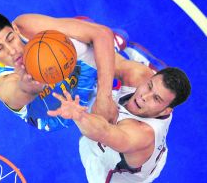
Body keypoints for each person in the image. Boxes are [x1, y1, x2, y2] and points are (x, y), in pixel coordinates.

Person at [48, 61, 191, 182]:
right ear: (149, 78)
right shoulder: (140, 75)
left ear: (167, 111)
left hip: (113, 174)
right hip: (146, 158)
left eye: (156, 98)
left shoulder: (140, 134)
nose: (144, 96)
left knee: (98, 124)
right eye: (149, 86)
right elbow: (101, 39)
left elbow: (102, 131)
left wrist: (78, 116)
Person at [0, 13, 121, 131]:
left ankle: (108, 45)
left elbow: (102, 33)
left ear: (15, 29)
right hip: (56, 113)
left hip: (75, 77)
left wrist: (104, 97)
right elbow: (13, 94)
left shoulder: (25, 26)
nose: (12, 51)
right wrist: (27, 88)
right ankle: (84, 29)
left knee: (135, 73)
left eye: (11, 39)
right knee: (106, 129)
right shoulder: (4, 81)